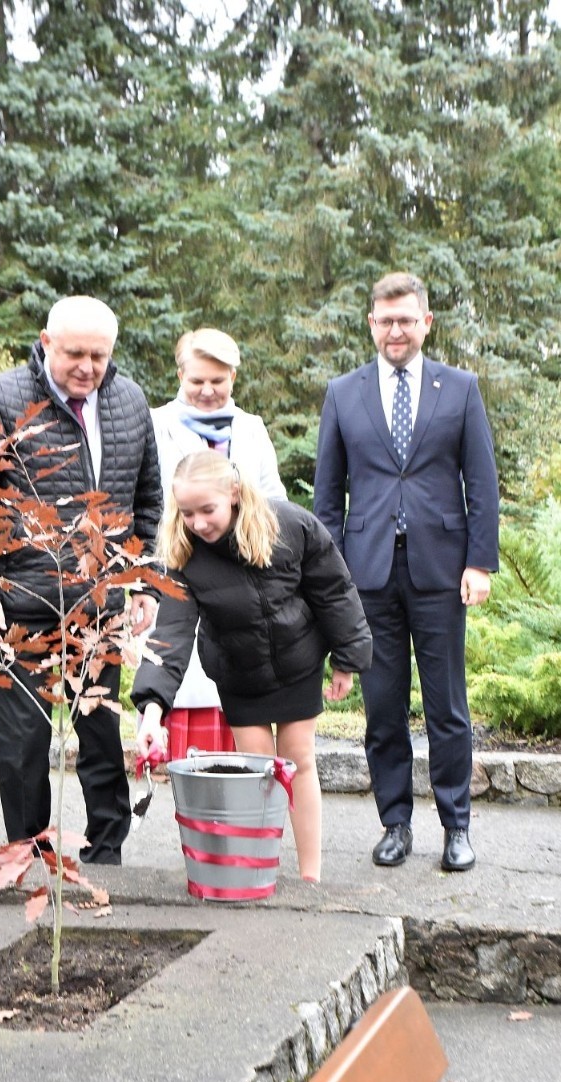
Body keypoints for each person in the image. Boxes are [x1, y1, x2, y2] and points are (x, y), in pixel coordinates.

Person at [0, 295, 162, 864]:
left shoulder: (130, 402)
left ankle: (107, 850)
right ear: (46, 342)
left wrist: (142, 581)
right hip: (22, 605)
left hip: (99, 605)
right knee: (22, 745)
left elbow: (148, 501)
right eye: (74, 354)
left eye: (99, 355)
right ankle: (29, 852)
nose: (88, 367)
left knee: (98, 736)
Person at [313, 271, 499, 872]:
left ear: (426, 323)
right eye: (385, 320)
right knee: (383, 707)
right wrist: (332, 577)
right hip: (366, 576)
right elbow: (327, 497)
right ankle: (395, 822)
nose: (396, 329)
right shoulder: (344, 393)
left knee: (447, 707)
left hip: (443, 573)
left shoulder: (461, 388)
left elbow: (482, 484)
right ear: (372, 323)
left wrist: (479, 562)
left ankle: (457, 826)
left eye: (406, 319)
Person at [132, 450, 372, 882]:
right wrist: (152, 709)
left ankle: (310, 876)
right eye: (187, 513)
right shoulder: (184, 557)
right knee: (259, 771)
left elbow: (334, 591)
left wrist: (347, 659)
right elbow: (170, 636)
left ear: (235, 494)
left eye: (208, 510)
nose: (198, 523)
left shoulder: (290, 525)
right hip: (239, 672)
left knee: (298, 761)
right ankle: (261, 870)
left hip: (297, 660)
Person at [150, 328, 288, 758]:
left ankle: (242, 818)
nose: (208, 391)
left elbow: (275, 500)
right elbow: (144, 501)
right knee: (187, 689)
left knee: (243, 703)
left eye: (218, 380)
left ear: (233, 376)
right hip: (182, 573)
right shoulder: (156, 426)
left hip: (245, 583)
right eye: (196, 381)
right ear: (179, 375)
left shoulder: (250, 428)